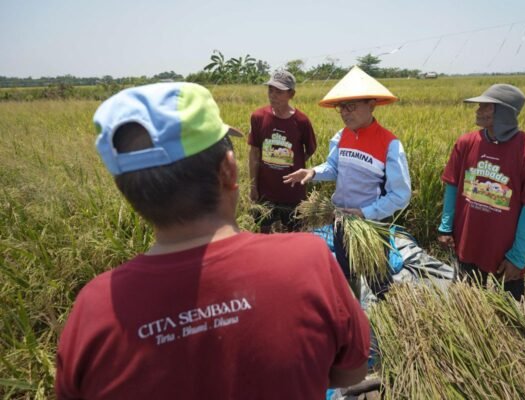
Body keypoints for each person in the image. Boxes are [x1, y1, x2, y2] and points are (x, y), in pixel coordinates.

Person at [55, 82, 370, 399]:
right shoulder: (308, 261)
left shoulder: (94, 309)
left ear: (127, 190)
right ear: (229, 170)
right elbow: (351, 372)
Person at [283, 66, 411, 298]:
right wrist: (313, 172)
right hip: (341, 219)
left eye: (350, 106)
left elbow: (400, 195)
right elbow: (334, 167)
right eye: (341, 107)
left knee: (378, 280)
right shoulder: (341, 137)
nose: (344, 112)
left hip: (372, 226)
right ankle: (354, 310)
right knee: (346, 272)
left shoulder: (390, 144)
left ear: (371, 105)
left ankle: (387, 313)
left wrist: (365, 213)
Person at [437, 84, 525, 301]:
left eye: (486, 106)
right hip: (469, 240)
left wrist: (517, 256)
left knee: (510, 310)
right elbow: (452, 186)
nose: (478, 110)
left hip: (505, 249)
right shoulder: (466, 143)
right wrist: (445, 226)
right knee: (466, 304)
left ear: (504, 112)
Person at [248, 70, 317, 232]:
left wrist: (293, 164)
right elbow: (254, 153)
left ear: (291, 94)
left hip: (292, 192)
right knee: (263, 233)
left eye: (279, 92)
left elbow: (310, 149)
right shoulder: (258, 117)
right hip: (265, 192)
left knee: (294, 235)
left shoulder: (301, 121)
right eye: (270, 90)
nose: (273, 95)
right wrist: (253, 186)